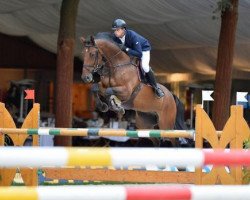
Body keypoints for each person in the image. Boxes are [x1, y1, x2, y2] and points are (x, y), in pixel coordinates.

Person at [111, 18, 164, 98]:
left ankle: (156, 87)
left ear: (123, 29)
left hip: (143, 50)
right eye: (114, 30)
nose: (115, 32)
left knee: (145, 66)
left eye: (117, 30)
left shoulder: (132, 36)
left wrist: (126, 48)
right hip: (131, 51)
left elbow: (139, 54)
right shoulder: (115, 38)